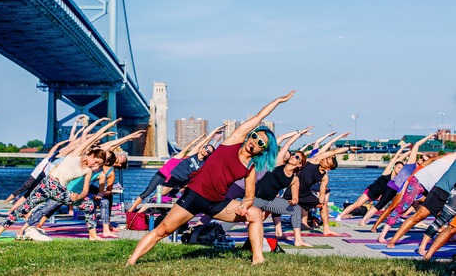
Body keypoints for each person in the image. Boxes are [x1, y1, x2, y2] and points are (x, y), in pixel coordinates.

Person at [126, 90, 296, 265]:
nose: (254, 141)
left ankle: (258, 259)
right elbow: (260, 116)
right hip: (194, 197)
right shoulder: (233, 140)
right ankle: (130, 262)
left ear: (263, 150)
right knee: (162, 231)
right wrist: (278, 101)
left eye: (261, 143)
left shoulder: (250, 168)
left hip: (217, 203)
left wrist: (244, 207)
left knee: (255, 213)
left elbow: (249, 197)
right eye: (254, 136)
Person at [0, 118, 117, 241]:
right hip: (46, 185)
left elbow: (85, 191)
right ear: (92, 155)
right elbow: (91, 137)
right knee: (23, 209)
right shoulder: (77, 154)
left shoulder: (88, 171)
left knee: (88, 204)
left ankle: (92, 236)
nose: (95, 165)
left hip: (60, 190)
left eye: (99, 164)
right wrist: (106, 124)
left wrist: (78, 197)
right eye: (95, 161)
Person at [387, 152, 456, 250]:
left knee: (444, 223)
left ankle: (444, 240)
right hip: (442, 190)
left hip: (451, 195)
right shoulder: (453, 156)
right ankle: (393, 241)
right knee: (418, 216)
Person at [282, 144, 354, 236]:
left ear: (328, 168)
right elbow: (333, 152)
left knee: (324, 205)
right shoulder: (314, 161)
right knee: (273, 208)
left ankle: (326, 229)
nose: (324, 161)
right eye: (326, 159)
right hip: (292, 190)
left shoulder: (325, 177)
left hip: (305, 194)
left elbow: (322, 193)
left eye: (327, 162)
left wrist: (320, 202)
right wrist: (348, 148)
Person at [367, 135, 435, 231]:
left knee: (425, 205)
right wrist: (429, 137)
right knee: (391, 207)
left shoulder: (423, 169)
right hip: (396, 186)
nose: (421, 160)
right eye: (421, 158)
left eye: (424, 160)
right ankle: (375, 226)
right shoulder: (411, 162)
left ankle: (427, 223)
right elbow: (417, 145)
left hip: (409, 190)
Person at [127, 133, 207, 212]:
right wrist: (202, 137)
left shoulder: (187, 162)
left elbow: (203, 152)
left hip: (170, 181)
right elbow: (193, 145)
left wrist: (211, 140)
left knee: (161, 197)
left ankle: (146, 211)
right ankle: (131, 210)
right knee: (147, 193)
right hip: (162, 175)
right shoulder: (179, 157)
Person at [335, 146, 405, 221]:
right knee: (357, 204)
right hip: (372, 190)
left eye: (401, 168)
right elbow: (394, 159)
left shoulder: (397, 179)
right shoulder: (387, 172)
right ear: (394, 167)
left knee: (395, 201)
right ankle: (340, 215)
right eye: (398, 167)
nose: (400, 170)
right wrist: (401, 149)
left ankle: (394, 217)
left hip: (380, 194)